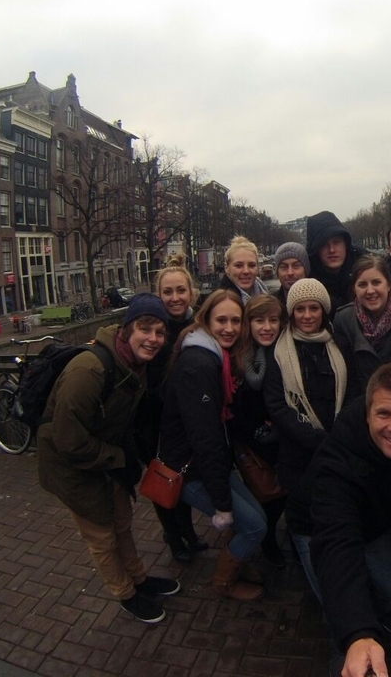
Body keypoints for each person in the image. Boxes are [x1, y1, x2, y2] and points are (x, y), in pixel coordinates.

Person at [37, 294, 180, 624]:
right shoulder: (88, 370)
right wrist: (119, 457)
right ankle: (125, 593)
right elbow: (68, 440)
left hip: (104, 457)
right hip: (70, 465)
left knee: (122, 522)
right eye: (146, 328)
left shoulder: (134, 364)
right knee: (101, 536)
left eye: (160, 332)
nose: (154, 338)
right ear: (128, 329)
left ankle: (139, 579)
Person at [310, 364, 391, 677]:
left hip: (373, 523)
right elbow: (337, 545)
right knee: (341, 607)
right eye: (384, 415)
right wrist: (358, 631)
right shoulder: (337, 462)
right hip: (318, 526)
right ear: (367, 413)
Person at [158, 290, 268, 601]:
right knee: (255, 526)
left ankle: (237, 559)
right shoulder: (200, 364)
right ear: (206, 320)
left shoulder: (214, 355)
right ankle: (224, 582)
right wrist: (221, 503)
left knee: (254, 514)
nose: (230, 328)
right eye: (221, 320)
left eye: (236, 321)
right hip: (190, 470)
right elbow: (204, 437)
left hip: (207, 463)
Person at [263, 278, 347, 594]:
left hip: (335, 445)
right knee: (302, 514)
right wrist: (317, 439)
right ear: (292, 312)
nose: (308, 315)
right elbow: (277, 405)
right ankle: (308, 566)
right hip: (299, 453)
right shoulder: (279, 352)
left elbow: (350, 391)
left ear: (323, 311)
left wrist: (338, 436)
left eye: (314, 308)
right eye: (300, 309)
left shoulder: (338, 344)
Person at [137, 255, 209, 565]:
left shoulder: (202, 326)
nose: (175, 297)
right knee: (162, 479)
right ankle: (173, 536)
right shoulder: (153, 329)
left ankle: (187, 531)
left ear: (192, 292)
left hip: (185, 420)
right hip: (154, 419)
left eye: (181, 290)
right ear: (159, 295)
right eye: (168, 292)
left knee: (183, 477)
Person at [230, 294, 288, 567]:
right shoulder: (238, 357)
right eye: (259, 320)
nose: (266, 327)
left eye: (273, 320)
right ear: (248, 324)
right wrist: (257, 432)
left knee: (282, 492)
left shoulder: (285, 351)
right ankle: (266, 542)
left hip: (281, 439)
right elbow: (233, 408)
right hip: (254, 442)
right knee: (263, 493)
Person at [334, 255, 391, 400]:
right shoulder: (343, 320)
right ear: (354, 288)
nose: (370, 291)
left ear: (388, 285)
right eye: (362, 285)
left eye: (376, 282)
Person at [306, 210, 366, 310]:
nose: (332, 250)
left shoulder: (367, 267)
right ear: (316, 250)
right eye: (324, 244)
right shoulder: (305, 279)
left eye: (337, 242)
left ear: (345, 244)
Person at [219, 235, 270, 304]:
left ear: (258, 267)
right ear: (226, 268)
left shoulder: (266, 297)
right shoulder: (220, 304)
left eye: (251, 265)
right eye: (239, 266)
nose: (246, 271)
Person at [273, 241, 310, 307]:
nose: (290, 273)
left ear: (306, 269)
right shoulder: (270, 305)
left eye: (296, 265)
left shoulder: (322, 300)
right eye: (284, 267)